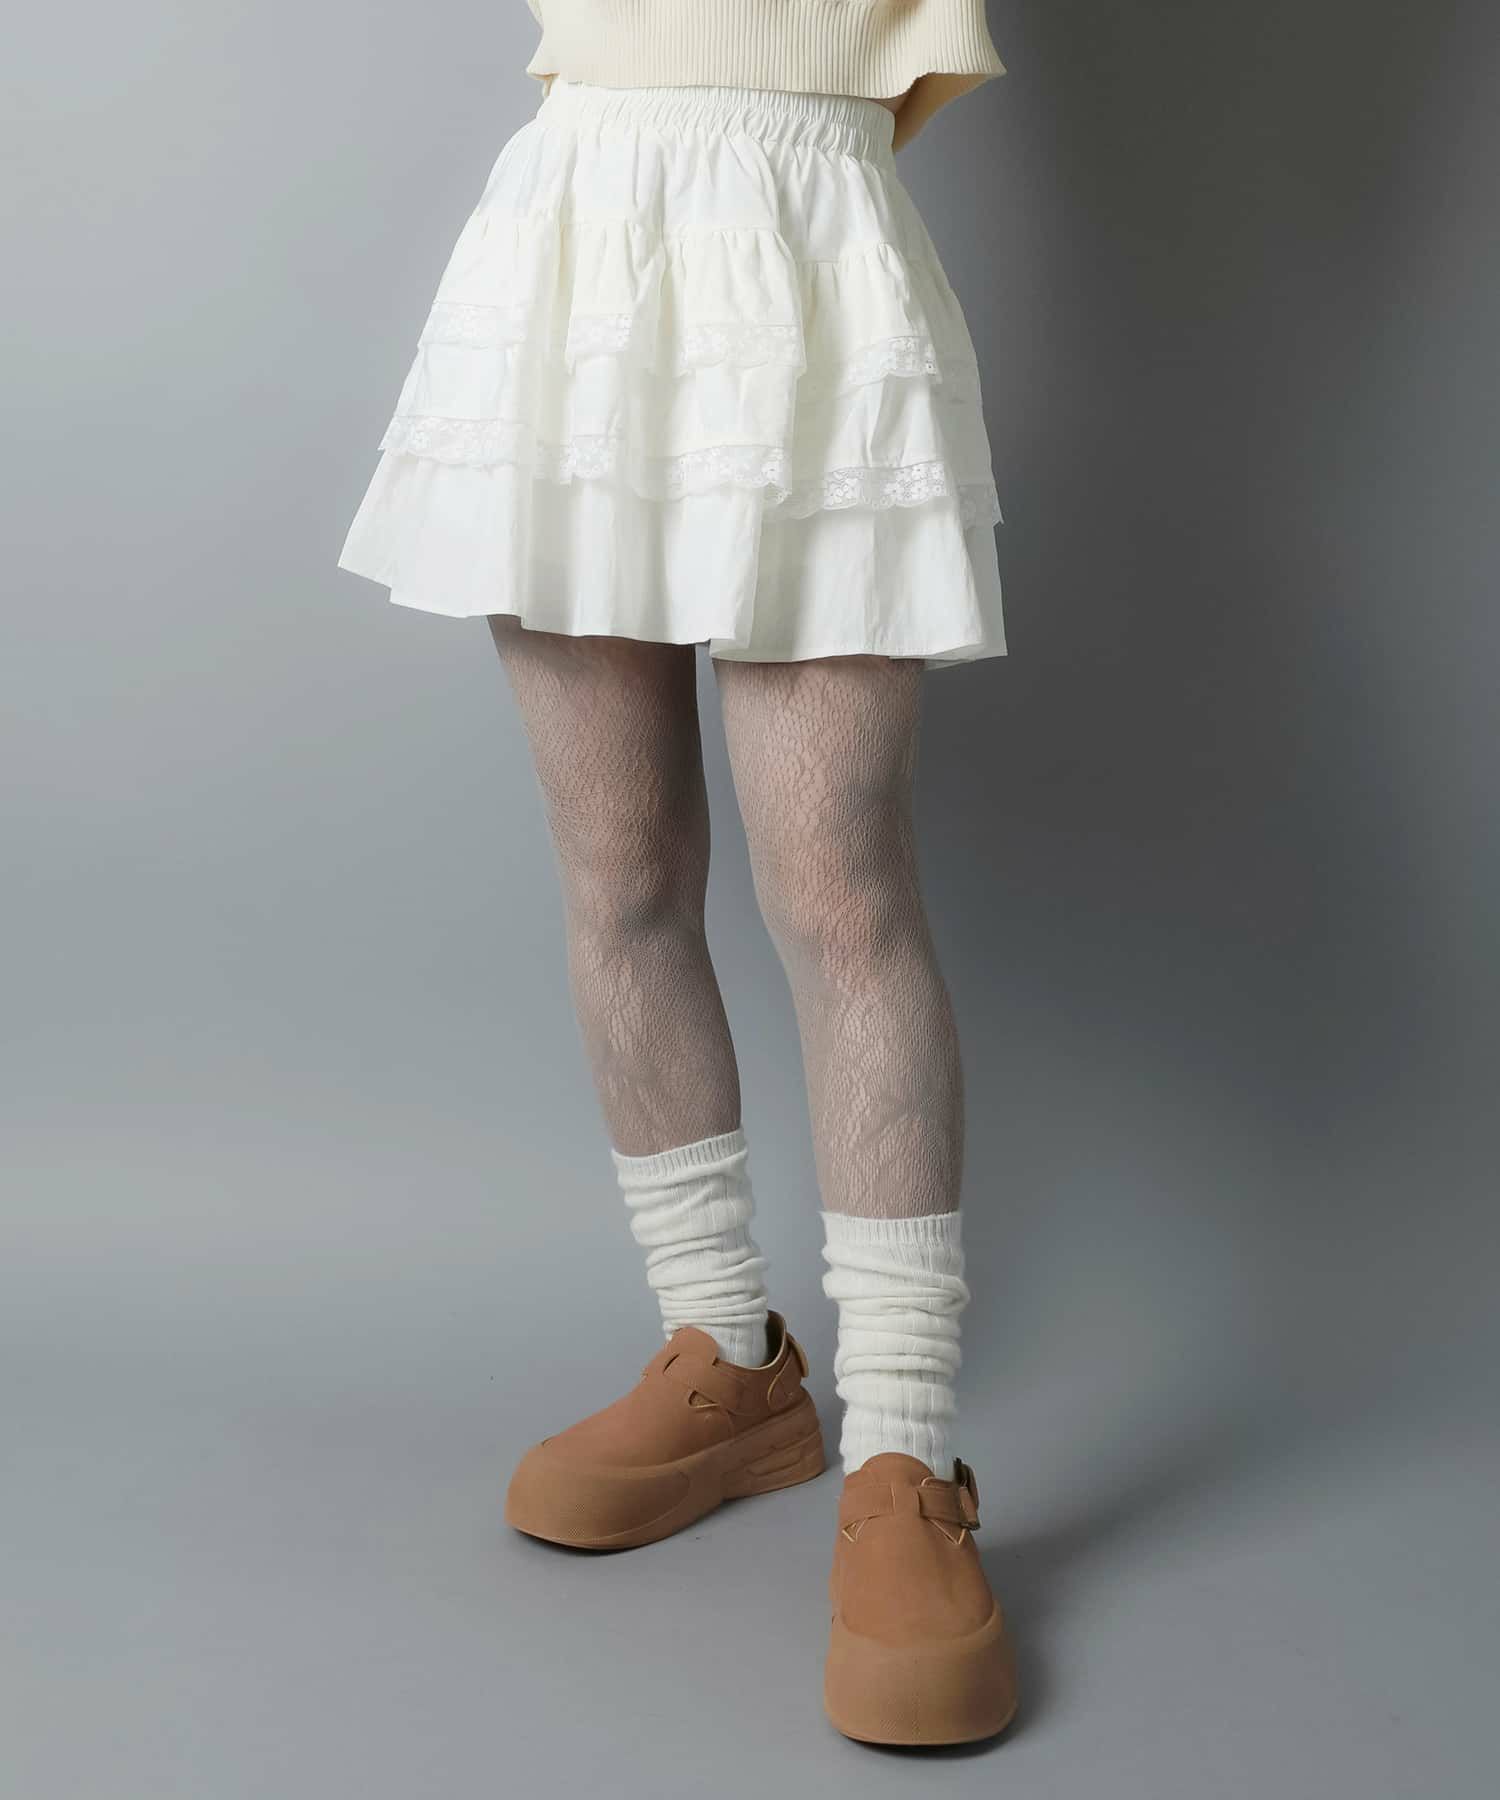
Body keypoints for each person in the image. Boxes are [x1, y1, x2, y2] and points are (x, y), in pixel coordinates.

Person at [337, 0, 1017, 1747]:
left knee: (842, 893)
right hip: (577, 228)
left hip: (810, 219)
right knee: (621, 869)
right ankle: (727, 1355)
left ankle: (902, 1453)